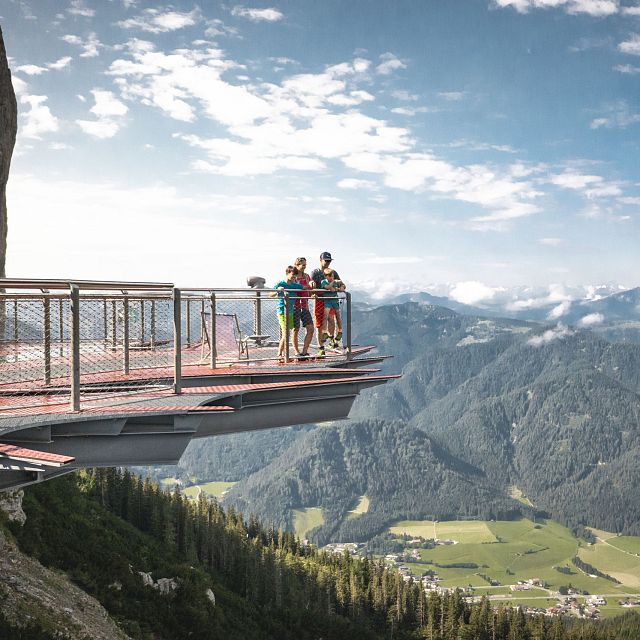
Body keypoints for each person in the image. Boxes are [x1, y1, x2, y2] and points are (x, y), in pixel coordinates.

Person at [311, 252, 345, 356]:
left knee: (332, 321)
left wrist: (341, 287)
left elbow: (341, 283)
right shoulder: (315, 273)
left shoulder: (332, 272)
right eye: (326, 260)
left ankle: (331, 341)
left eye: (329, 261)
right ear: (320, 260)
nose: (328, 263)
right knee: (319, 325)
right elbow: (311, 286)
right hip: (319, 300)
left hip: (330, 300)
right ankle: (321, 348)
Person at [270, 265, 305, 361]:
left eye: (295, 276)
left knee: (287, 333)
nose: (294, 278)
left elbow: (304, 287)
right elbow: (270, 294)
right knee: (286, 334)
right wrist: (277, 291)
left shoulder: (294, 285)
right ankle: (279, 354)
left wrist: (311, 283)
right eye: (293, 275)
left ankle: (282, 354)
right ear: (287, 273)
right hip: (281, 311)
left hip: (290, 312)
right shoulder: (281, 283)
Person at [292, 257, 314, 359]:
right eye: (302, 264)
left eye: (305, 264)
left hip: (304, 306)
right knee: (295, 329)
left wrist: (311, 288)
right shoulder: (293, 277)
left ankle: (304, 352)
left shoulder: (306, 276)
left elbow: (310, 288)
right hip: (295, 306)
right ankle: (296, 352)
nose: (304, 266)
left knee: (310, 328)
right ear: (297, 265)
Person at [320, 268, 345, 353]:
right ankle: (324, 332)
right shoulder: (323, 282)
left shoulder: (335, 281)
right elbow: (327, 287)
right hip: (327, 301)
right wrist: (332, 284)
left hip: (334, 300)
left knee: (338, 316)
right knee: (325, 316)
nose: (331, 277)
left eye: (332, 276)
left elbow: (343, 286)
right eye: (329, 276)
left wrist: (340, 288)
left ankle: (340, 331)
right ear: (325, 276)